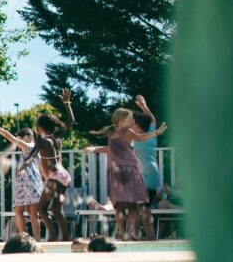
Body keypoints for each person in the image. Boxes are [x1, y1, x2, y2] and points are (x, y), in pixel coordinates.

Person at [86, 109, 167, 240]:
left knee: (119, 206)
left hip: (115, 172)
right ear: (121, 121)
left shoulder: (112, 134)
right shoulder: (127, 132)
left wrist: (95, 149)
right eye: (130, 119)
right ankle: (133, 234)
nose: (133, 121)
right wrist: (156, 132)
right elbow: (140, 138)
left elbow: (109, 149)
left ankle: (123, 234)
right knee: (132, 205)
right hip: (129, 171)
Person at [19, 90, 75, 242]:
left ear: (40, 127)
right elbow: (71, 121)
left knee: (41, 209)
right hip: (64, 176)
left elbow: (30, 157)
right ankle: (66, 238)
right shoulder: (57, 137)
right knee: (56, 209)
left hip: (55, 177)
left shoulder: (42, 141)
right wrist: (66, 103)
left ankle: (53, 237)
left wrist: (22, 168)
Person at [0, 118, 44, 240]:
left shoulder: (27, 146)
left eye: (20, 139)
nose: (19, 142)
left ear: (28, 137)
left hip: (25, 180)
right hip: (36, 181)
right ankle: (37, 239)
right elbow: (41, 168)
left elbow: (8, 136)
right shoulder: (37, 149)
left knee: (18, 211)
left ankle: (23, 238)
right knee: (33, 213)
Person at [131, 94, 160, 240]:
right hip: (154, 175)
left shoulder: (138, 140)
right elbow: (152, 119)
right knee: (144, 207)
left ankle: (139, 236)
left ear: (137, 125)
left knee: (139, 208)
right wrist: (144, 106)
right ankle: (149, 237)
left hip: (144, 176)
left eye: (132, 123)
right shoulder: (151, 134)